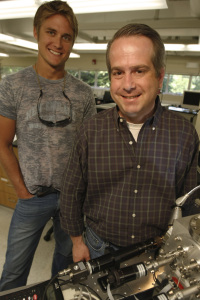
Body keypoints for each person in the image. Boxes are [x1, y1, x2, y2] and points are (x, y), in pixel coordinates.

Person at [60, 23, 199, 263]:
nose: (127, 84)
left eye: (139, 71)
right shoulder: (90, 130)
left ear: (160, 76)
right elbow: (72, 192)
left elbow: (190, 201)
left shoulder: (184, 134)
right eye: (118, 72)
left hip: (157, 253)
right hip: (97, 249)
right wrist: (77, 242)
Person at [0, 0, 96, 291]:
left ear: (72, 42)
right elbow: (2, 143)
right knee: (13, 274)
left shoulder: (83, 93)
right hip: (33, 198)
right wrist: (21, 190)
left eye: (66, 36)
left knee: (66, 272)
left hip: (72, 200)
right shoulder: (13, 85)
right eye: (51, 32)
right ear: (36, 32)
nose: (58, 42)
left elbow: (90, 150)